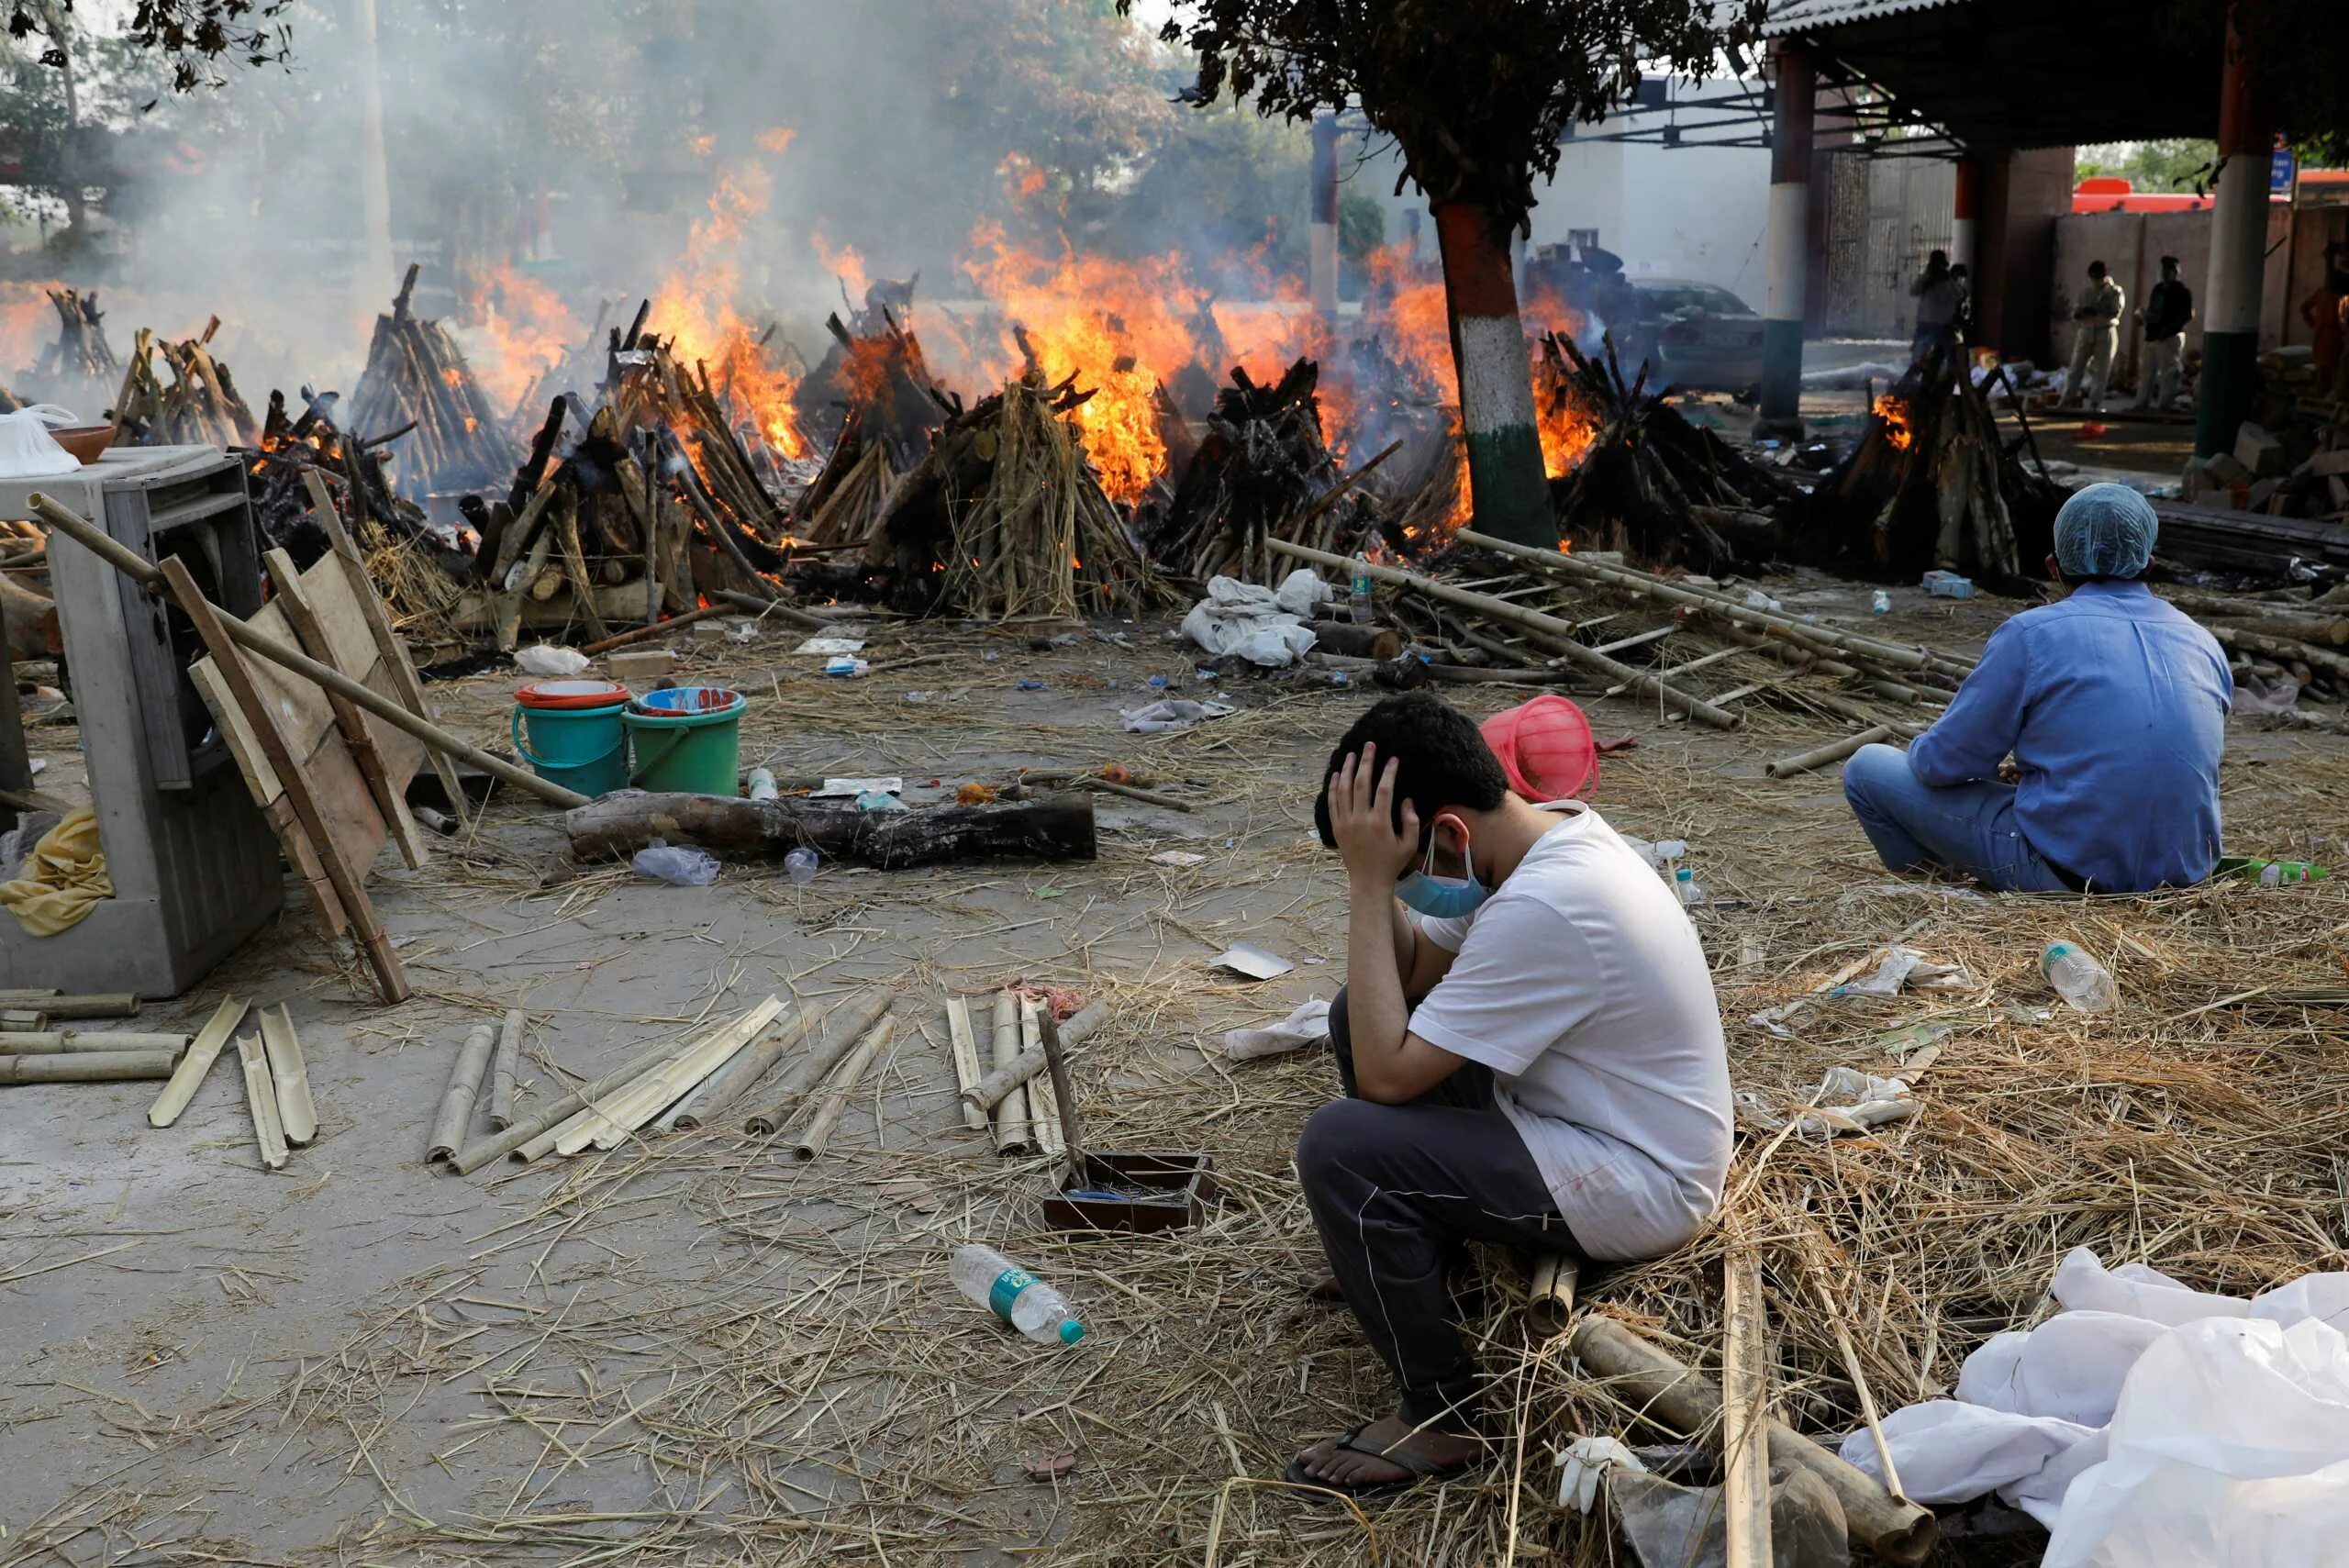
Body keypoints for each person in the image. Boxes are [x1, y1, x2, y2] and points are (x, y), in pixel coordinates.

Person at [1286, 692, 1731, 1496]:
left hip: (1641, 1176)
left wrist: (1364, 884)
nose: (1404, 883)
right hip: (1580, 1120)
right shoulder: (1537, 840)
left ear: (1449, 832)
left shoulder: (1547, 902)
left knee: (1340, 1149)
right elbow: (1413, 974)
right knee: (1363, 1010)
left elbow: (1388, 1075)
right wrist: (1382, 874)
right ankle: (1423, 1253)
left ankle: (1442, 1415)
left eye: (1407, 864)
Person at [1842, 484, 2232, 894]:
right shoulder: (2203, 642)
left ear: (2052, 566)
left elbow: (1942, 765)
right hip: (2182, 878)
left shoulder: (2031, 634)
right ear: (2149, 563)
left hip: (2070, 876)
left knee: (1867, 768)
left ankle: (1940, 902)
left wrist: (1962, 761)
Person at [2062, 261, 2125, 412]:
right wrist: (2082, 313)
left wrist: (2098, 309)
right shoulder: (2086, 291)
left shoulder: (2114, 291)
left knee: (2101, 370)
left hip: (2105, 330)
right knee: (2076, 367)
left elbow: (2116, 311)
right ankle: (2067, 399)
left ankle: (2095, 403)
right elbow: (2076, 312)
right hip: (2087, 330)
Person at [2133, 255, 2193, 412]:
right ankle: (2141, 404)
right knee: (2147, 372)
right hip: (2152, 335)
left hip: (2169, 337)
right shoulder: (2158, 289)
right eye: (2163, 270)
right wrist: (2144, 317)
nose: (2165, 273)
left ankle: (2164, 406)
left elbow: (2186, 315)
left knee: (2169, 374)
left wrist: (2167, 328)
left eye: (2168, 270)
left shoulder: (2182, 292)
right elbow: (2154, 309)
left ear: (2175, 272)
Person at [1908, 249, 1966, 365]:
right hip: (1929, 323)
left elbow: (1959, 295)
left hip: (1941, 324)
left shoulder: (1948, 281)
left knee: (1949, 357)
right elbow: (1914, 291)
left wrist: (1946, 279)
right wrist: (1927, 278)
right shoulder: (1927, 279)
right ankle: (1915, 378)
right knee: (1920, 357)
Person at [2303, 244, 2346, 399]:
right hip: (2333, 338)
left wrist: (2314, 325)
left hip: (2321, 336)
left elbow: (2304, 308)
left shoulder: (2322, 294)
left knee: (2325, 374)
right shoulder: (2340, 299)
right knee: (2328, 376)